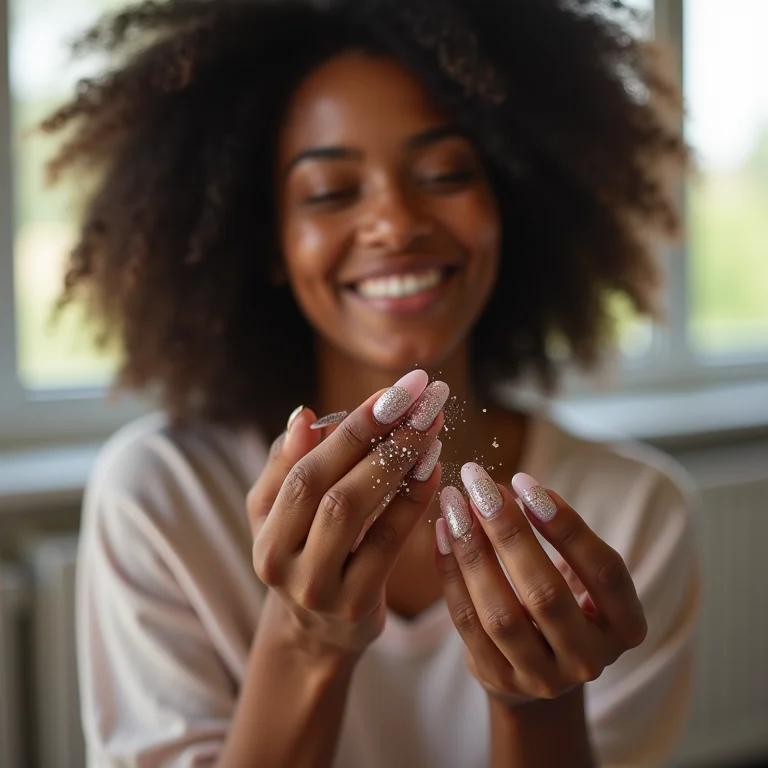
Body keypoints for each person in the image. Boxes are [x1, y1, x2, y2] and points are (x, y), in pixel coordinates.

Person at [44, 0, 699, 765]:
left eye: (446, 173)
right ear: (268, 243)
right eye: (329, 192)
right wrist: (306, 637)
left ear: (512, 206)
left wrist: (537, 705)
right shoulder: (159, 497)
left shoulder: (634, 516)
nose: (394, 220)